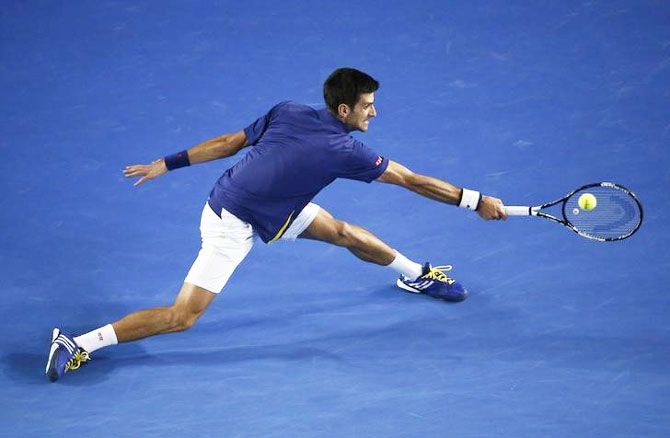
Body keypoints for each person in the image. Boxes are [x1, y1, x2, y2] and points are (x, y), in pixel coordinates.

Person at [45, 68, 507, 382]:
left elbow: (229, 143)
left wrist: (166, 164)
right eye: (368, 105)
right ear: (344, 110)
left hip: (277, 206)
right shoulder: (346, 151)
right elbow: (410, 180)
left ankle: (414, 275)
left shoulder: (288, 110)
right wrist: (477, 200)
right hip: (232, 221)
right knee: (182, 317)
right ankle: (78, 342)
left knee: (343, 233)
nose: (375, 112)